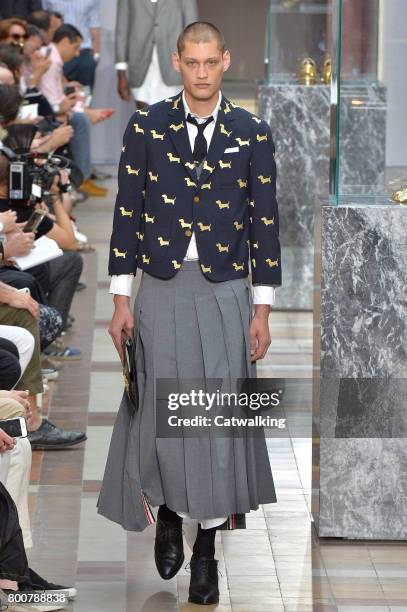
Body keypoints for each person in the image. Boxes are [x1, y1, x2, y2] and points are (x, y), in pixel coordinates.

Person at [98, 21, 281, 605]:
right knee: (163, 411)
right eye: (192, 62)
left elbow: (266, 226)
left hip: (227, 289)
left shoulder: (252, 132)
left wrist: (263, 310)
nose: (201, 72)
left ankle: (207, 550)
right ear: (178, 62)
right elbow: (127, 212)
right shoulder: (147, 125)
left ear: (225, 61)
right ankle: (171, 513)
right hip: (162, 284)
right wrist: (121, 299)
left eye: (211, 62)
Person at [115, 0, 198, 107]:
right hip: (140, 65)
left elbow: (192, 28)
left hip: (173, 66)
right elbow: (122, 30)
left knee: (173, 115)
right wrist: (121, 73)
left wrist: (193, 67)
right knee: (143, 116)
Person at [42, 0, 101, 90]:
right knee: (57, 89)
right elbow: (43, 22)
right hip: (58, 52)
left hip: (84, 50)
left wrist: (96, 54)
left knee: (84, 92)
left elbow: (94, 23)